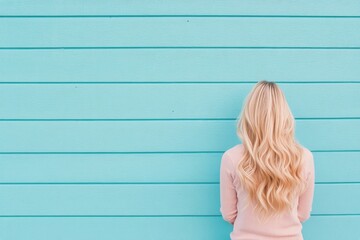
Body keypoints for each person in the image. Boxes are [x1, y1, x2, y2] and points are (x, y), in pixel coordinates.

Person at [220, 80, 315, 240]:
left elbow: (229, 214)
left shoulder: (231, 157)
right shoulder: (304, 157)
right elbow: (303, 214)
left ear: (250, 115)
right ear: (284, 114)